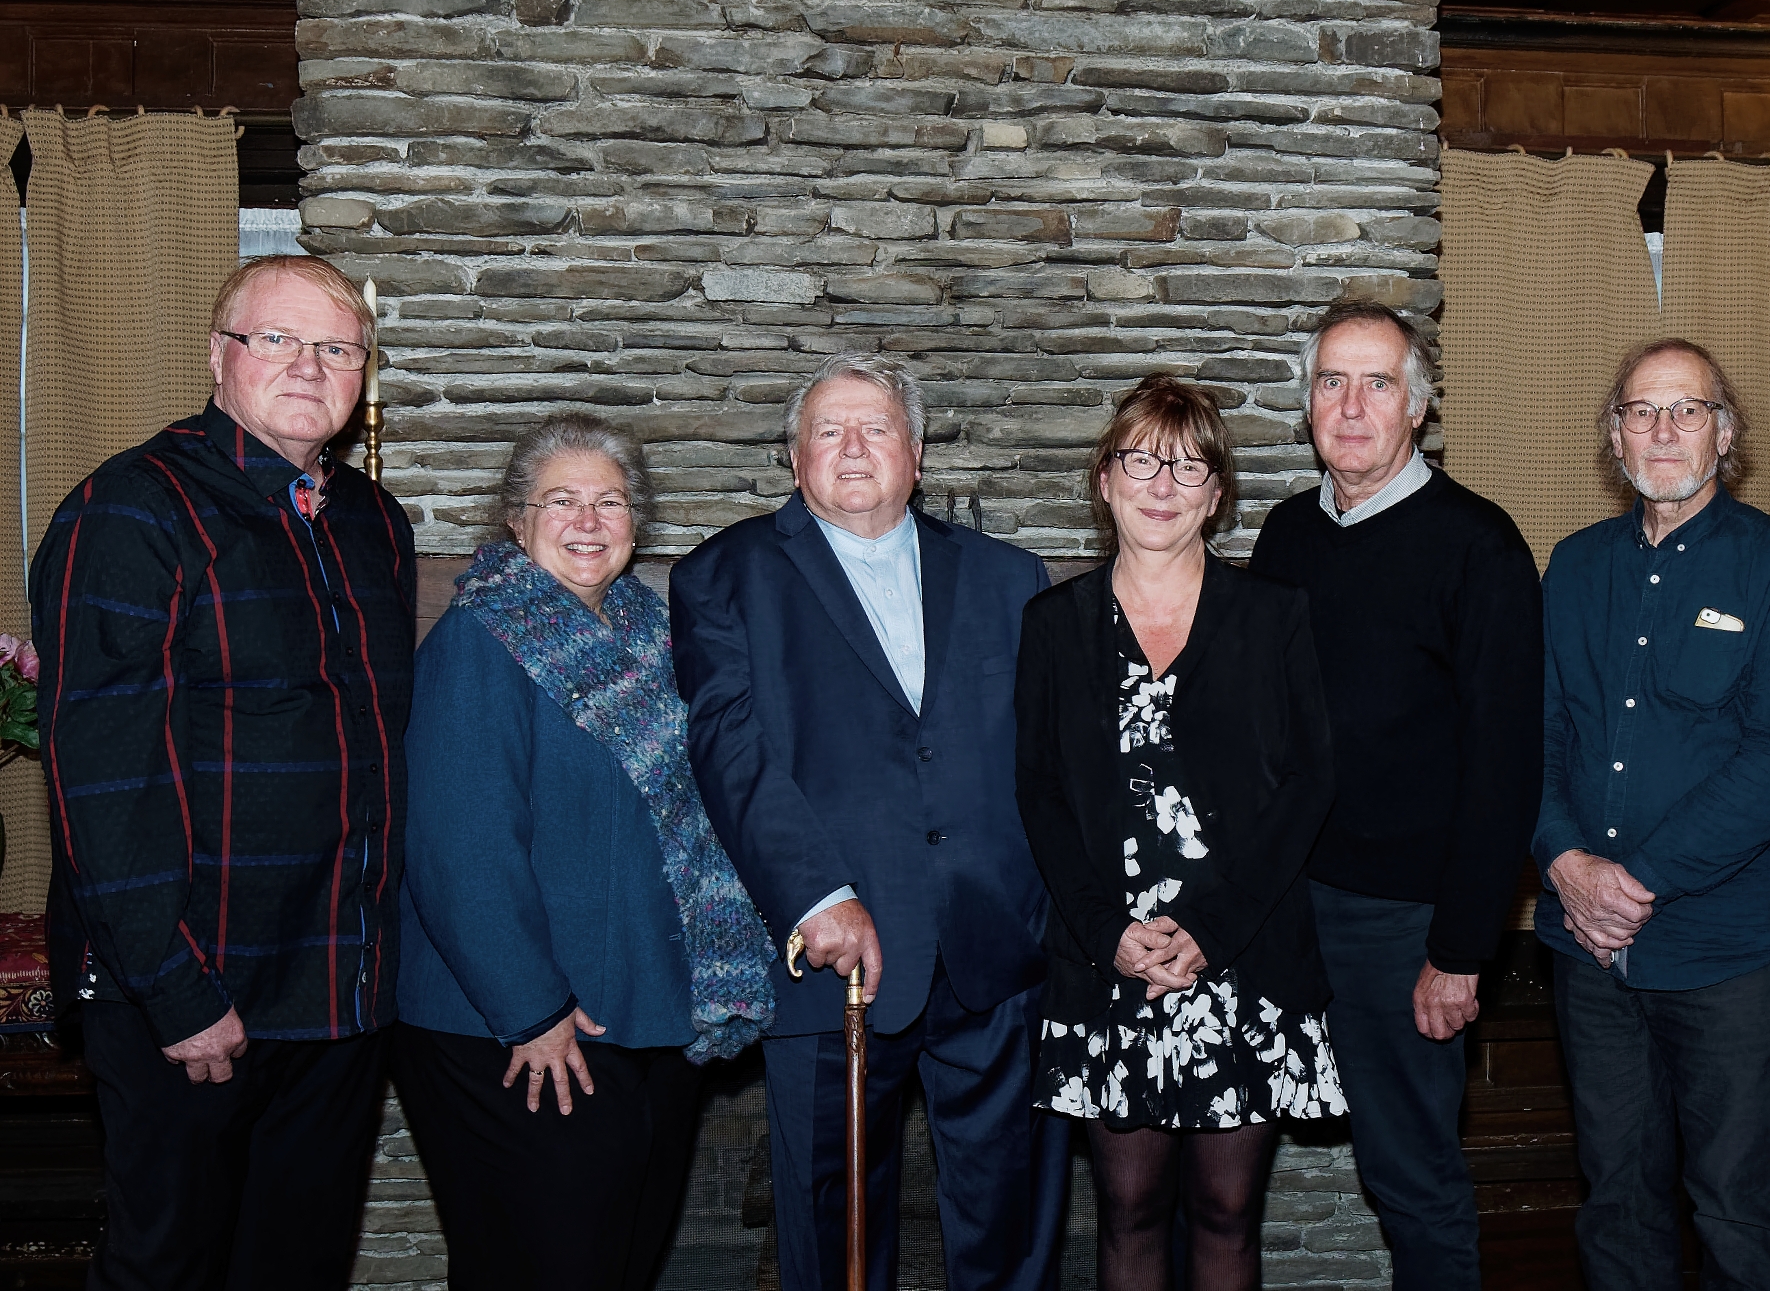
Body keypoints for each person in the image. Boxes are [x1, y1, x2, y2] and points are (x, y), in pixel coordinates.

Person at [31, 254, 415, 1289]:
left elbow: (376, 756)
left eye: (338, 348)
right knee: (171, 1272)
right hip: (195, 996)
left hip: (338, 993)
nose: (308, 365)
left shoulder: (376, 525)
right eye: (276, 339)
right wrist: (173, 987)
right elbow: (103, 778)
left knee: (296, 1270)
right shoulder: (130, 510)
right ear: (217, 355)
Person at [671, 352, 1068, 1291]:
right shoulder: (722, 576)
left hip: (997, 955)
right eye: (828, 431)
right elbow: (729, 753)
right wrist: (818, 895)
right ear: (794, 456)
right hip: (833, 956)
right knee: (834, 1234)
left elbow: (1053, 759)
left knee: (1011, 1229)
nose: (853, 449)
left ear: (917, 454)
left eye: (876, 428)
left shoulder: (1013, 579)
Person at [391, 413, 773, 1290]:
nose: (588, 521)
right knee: (541, 1269)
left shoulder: (656, 634)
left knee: (620, 1263)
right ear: (515, 521)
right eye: (561, 501)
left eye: (609, 501)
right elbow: (459, 851)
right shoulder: (480, 642)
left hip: (646, 1017)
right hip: (522, 1031)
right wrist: (531, 1011)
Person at [1018, 374, 1345, 1291]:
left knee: (1227, 1216)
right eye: (1141, 462)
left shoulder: (1275, 617)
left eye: (1188, 467)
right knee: (1124, 1216)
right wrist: (1107, 933)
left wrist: (1211, 930)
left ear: (1215, 494)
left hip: (1242, 960)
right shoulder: (1051, 626)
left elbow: (1309, 785)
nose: (1162, 486)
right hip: (1105, 963)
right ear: (1104, 480)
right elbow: (1038, 794)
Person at [1534, 338, 1770, 1290]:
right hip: (1584, 952)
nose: (1663, 429)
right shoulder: (1573, 567)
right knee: (1617, 1199)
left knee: (1735, 1206)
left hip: (1730, 957)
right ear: (1613, 435)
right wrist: (1565, 864)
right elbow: (1532, 739)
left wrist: (1635, 882)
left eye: (1688, 409)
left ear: (1726, 431)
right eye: (1640, 410)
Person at [1247, 301, 1542, 1288]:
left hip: (1405, 925)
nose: (1353, 403)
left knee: (1411, 1176)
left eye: (1378, 383)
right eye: (1333, 381)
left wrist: (1460, 951)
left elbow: (1505, 767)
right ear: (1308, 406)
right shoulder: (1287, 537)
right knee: (1235, 1149)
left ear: (1417, 407)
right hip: (1291, 910)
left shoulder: (1478, 546)